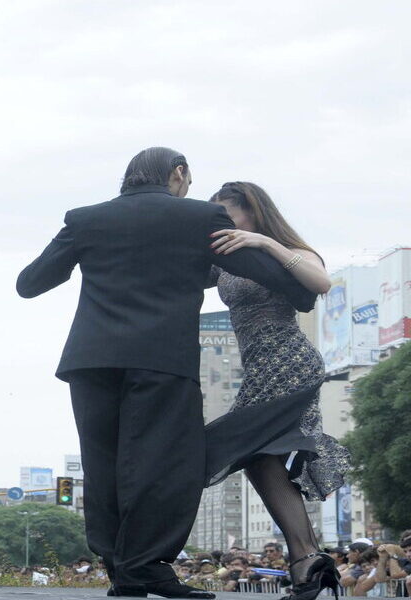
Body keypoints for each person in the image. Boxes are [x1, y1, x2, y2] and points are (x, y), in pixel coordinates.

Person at [17, 147, 317, 599]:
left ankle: (122, 572)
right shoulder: (200, 218)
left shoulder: (85, 219)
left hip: (91, 361)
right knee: (164, 466)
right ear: (178, 173)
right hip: (162, 361)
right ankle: (149, 568)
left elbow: (30, 283)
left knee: (104, 466)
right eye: (188, 182)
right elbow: (292, 288)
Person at [202, 181, 351, 600]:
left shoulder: (286, 248)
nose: (223, 224)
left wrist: (264, 243)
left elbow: (320, 283)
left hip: (289, 361)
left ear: (253, 212)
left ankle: (305, 556)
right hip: (258, 366)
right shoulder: (228, 260)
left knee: (251, 452)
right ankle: (306, 559)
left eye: (228, 215)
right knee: (257, 459)